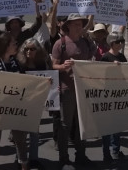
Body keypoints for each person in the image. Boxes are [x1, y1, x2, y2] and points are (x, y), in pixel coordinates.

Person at [51, 13, 97, 170]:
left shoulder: (85, 42)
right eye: (76, 24)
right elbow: (53, 66)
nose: (79, 27)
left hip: (83, 88)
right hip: (67, 90)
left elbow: (93, 58)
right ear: (68, 26)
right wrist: (63, 66)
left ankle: (81, 155)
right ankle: (63, 158)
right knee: (65, 125)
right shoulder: (60, 43)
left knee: (81, 124)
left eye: (81, 24)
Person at [0, 32, 29, 170]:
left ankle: (24, 166)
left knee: (20, 140)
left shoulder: (18, 61)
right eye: (14, 43)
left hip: (15, 107)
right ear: (5, 45)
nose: (16, 45)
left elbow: (26, 81)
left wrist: (45, 82)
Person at [16, 38, 52, 170]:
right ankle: (20, 158)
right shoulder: (19, 64)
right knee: (21, 134)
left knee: (34, 133)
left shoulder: (42, 65)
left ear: (38, 51)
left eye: (32, 49)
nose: (29, 51)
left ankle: (34, 158)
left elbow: (48, 81)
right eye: (26, 49)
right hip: (21, 103)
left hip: (36, 104)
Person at [100, 32, 128, 168]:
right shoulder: (105, 57)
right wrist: (112, 67)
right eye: (119, 42)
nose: (121, 44)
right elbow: (99, 76)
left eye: (122, 41)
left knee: (117, 125)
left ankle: (116, 150)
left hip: (119, 94)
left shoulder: (122, 56)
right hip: (108, 96)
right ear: (112, 44)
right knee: (106, 126)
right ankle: (106, 154)